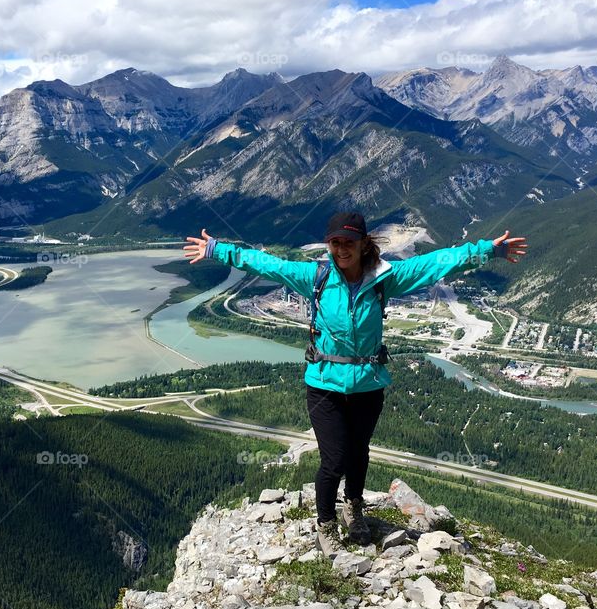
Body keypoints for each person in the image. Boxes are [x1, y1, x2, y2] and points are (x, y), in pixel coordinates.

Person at [184, 212, 527, 557]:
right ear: (329, 244)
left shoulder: (382, 279)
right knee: (333, 460)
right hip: (324, 385)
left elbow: (435, 264)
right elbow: (267, 264)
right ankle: (325, 525)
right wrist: (218, 249)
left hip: (367, 385)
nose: (342, 248)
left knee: (359, 453)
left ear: (365, 244)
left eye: (349, 242)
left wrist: (486, 251)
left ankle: (354, 508)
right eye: (336, 242)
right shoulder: (316, 277)